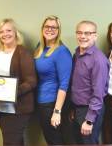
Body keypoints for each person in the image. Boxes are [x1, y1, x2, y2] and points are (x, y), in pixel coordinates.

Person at [0, 18, 37, 145]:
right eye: (1, 31)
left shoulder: (23, 52)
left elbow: (31, 81)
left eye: (9, 30)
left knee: (10, 143)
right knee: (16, 142)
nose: (5, 34)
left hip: (17, 108)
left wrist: (8, 94)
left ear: (16, 32)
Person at [34, 16, 72, 145]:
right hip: (41, 102)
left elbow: (64, 84)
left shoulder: (62, 52)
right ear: (42, 29)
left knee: (55, 141)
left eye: (54, 27)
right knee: (50, 139)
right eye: (47, 26)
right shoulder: (40, 47)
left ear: (58, 30)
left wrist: (57, 112)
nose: (50, 29)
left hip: (52, 104)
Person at [70, 20, 109, 144]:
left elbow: (98, 93)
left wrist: (89, 120)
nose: (82, 36)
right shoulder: (76, 53)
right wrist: (73, 109)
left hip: (90, 110)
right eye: (79, 33)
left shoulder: (98, 60)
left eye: (87, 33)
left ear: (95, 36)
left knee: (89, 143)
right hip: (77, 109)